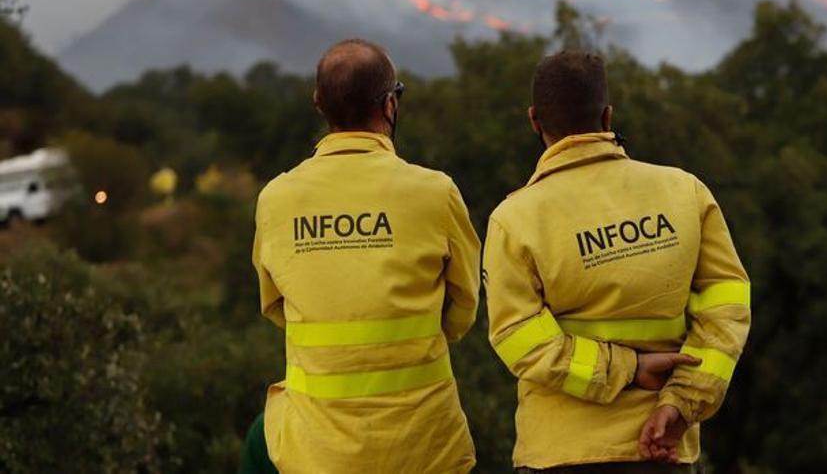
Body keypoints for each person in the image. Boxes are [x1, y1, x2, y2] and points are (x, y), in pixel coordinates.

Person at [484, 50, 752, 472]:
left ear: (535, 120)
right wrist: (681, 404)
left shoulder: (514, 220)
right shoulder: (686, 193)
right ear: (607, 116)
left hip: (558, 454)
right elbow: (728, 311)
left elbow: (520, 341)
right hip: (662, 451)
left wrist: (627, 370)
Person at [242, 39, 481, 473]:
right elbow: (465, 303)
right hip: (426, 448)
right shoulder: (435, 192)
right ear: (390, 105)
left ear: (319, 104)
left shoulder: (277, 198)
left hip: (316, 451)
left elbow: (274, 304)